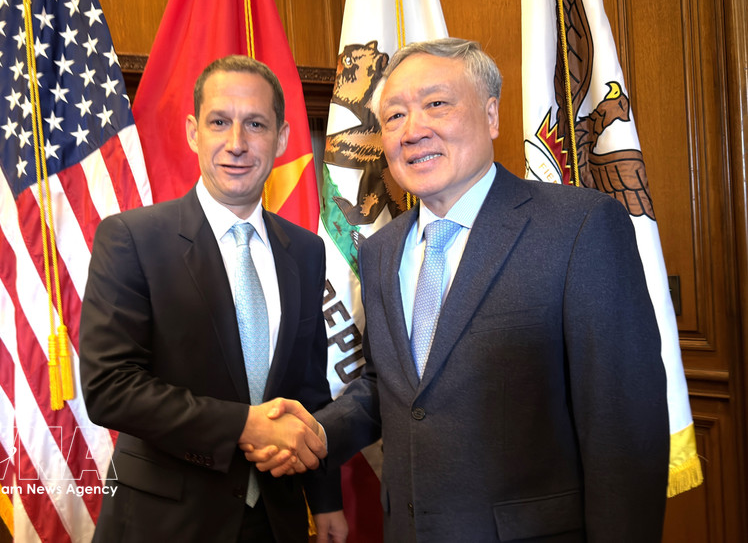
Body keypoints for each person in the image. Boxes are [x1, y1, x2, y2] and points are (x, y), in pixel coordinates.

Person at [250, 38, 670, 542]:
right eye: (394, 117)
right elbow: (396, 389)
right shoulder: (381, 251)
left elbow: (624, 431)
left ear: (491, 115)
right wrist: (318, 433)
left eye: (436, 104)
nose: (413, 130)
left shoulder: (579, 228)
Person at [79, 55, 347, 543]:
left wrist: (325, 500)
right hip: (165, 523)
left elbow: (308, 391)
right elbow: (110, 388)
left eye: (256, 124)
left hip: (276, 520)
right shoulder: (132, 239)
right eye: (219, 122)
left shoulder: (306, 252)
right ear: (192, 131)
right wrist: (244, 425)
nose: (237, 143)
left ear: (283, 138)